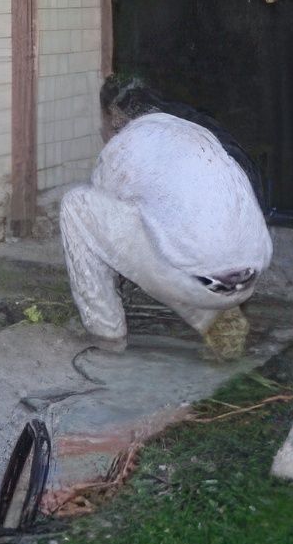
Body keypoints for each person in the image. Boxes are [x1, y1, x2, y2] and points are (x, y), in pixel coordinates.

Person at [61, 77, 273, 355]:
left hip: (195, 280)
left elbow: (104, 235)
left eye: (102, 122)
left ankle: (106, 334)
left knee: (75, 205)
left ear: (115, 117)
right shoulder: (195, 132)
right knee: (173, 244)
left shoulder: (124, 144)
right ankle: (216, 319)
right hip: (247, 277)